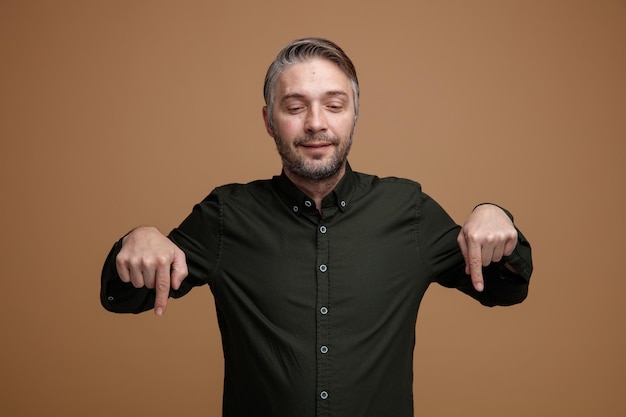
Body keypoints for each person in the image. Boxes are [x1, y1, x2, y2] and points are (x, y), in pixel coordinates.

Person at [101, 37, 533, 417]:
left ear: (353, 115)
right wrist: (137, 238)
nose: (315, 123)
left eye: (333, 104)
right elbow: (126, 295)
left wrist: (495, 213)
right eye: (294, 107)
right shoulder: (226, 216)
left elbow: (504, 286)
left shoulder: (408, 210)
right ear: (269, 121)